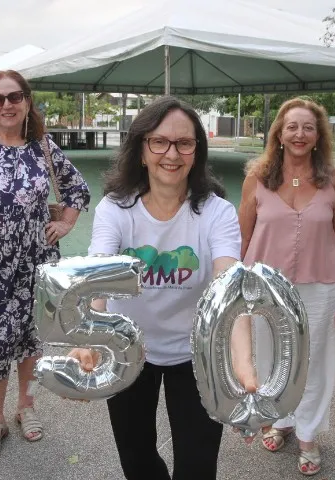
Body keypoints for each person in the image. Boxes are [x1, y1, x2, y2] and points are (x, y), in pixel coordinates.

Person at [69, 96, 242, 480]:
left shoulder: (216, 212)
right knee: (137, 460)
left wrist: (242, 366)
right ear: (142, 149)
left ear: (197, 151)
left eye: (184, 143)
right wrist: (90, 335)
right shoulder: (115, 208)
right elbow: (99, 272)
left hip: (195, 351)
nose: (172, 153)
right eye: (159, 142)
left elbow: (227, 282)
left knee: (197, 466)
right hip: (130, 349)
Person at [0, 70, 90, 461]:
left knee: (30, 340)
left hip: (34, 262)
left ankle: (26, 406)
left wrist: (65, 222)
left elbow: (77, 189)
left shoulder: (43, 147)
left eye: (15, 97)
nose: (7, 105)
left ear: (28, 102)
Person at [232, 97, 335, 476]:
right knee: (270, 358)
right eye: (292, 127)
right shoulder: (257, 178)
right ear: (279, 135)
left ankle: (308, 433)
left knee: (313, 359)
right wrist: (235, 286)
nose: (299, 134)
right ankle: (280, 420)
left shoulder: (334, 179)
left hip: (321, 284)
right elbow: (242, 236)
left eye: (308, 127)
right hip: (264, 286)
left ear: (318, 136)